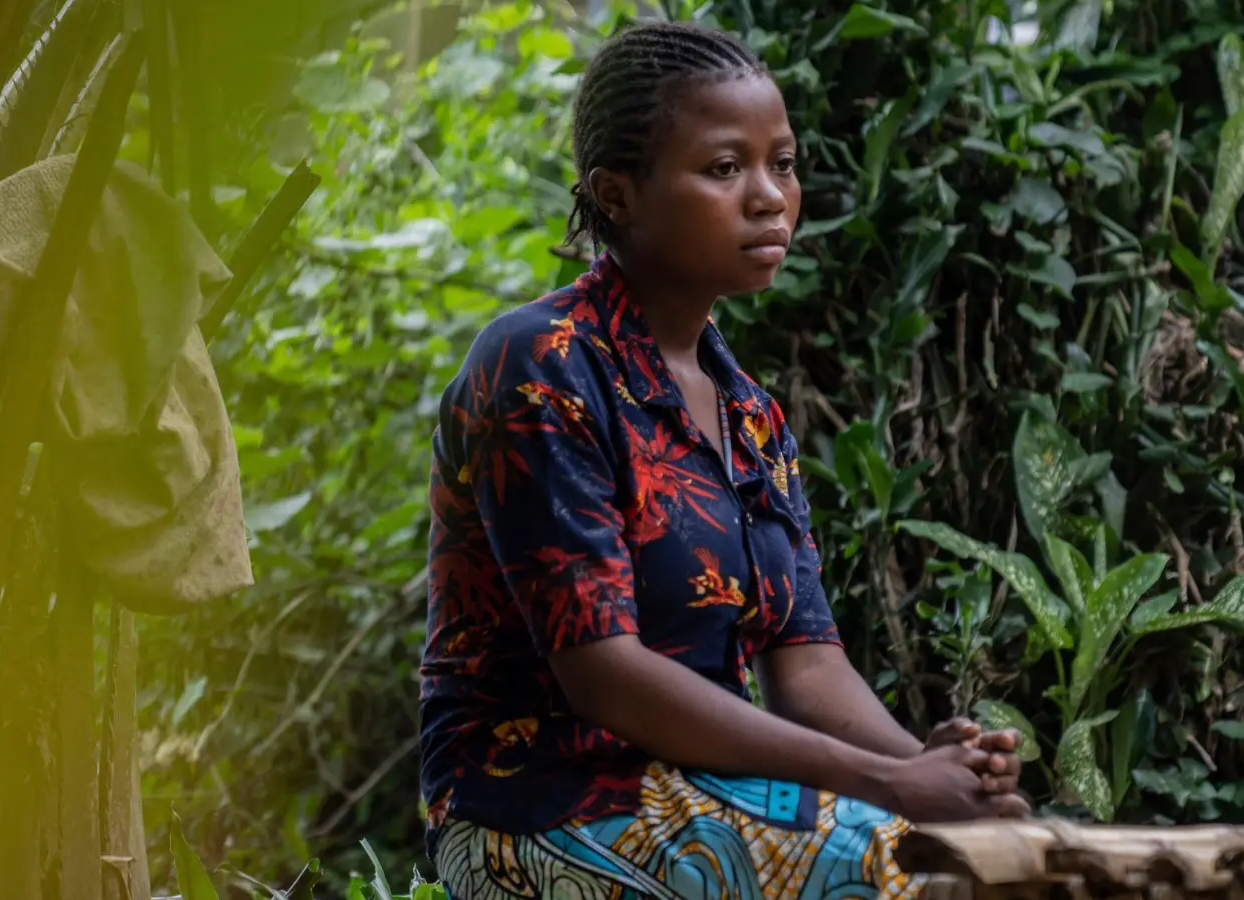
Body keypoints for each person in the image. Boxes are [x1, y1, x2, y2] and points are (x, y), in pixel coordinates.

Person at [418, 18, 1030, 900]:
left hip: (707, 792)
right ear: (616, 193)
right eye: (722, 168)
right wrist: (891, 789)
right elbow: (607, 676)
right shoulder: (543, 365)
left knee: (1011, 854)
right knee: (919, 874)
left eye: (781, 163)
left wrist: (934, 770)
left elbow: (806, 663)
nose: (769, 196)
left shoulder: (749, 413)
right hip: (538, 811)